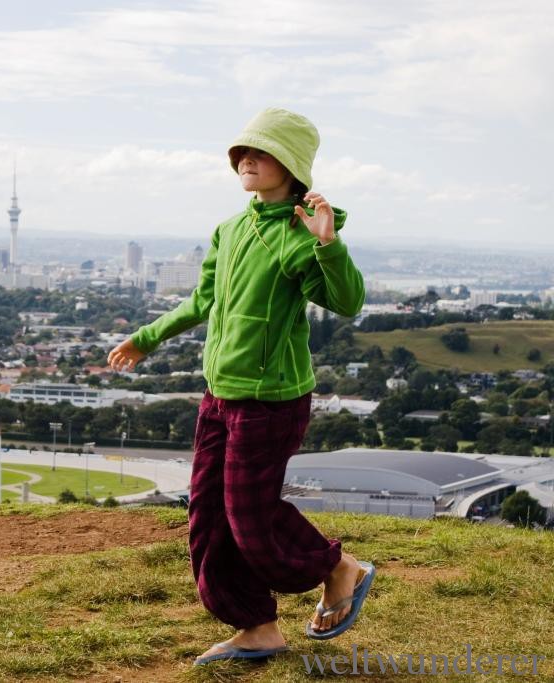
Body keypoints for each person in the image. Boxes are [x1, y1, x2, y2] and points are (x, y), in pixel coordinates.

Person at [107, 108, 375, 665]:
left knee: (249, 518)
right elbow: (203, 301)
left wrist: (328, 244)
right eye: (240, 153)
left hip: (272, 401)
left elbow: (348, 302)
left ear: (292, 165)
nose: (245, 160)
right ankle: (257, 626)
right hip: (219, 395)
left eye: (260, 152)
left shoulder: (302, 236)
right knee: (207, 518)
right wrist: (145, 338)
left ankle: (337, 567)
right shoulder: (230, 230)